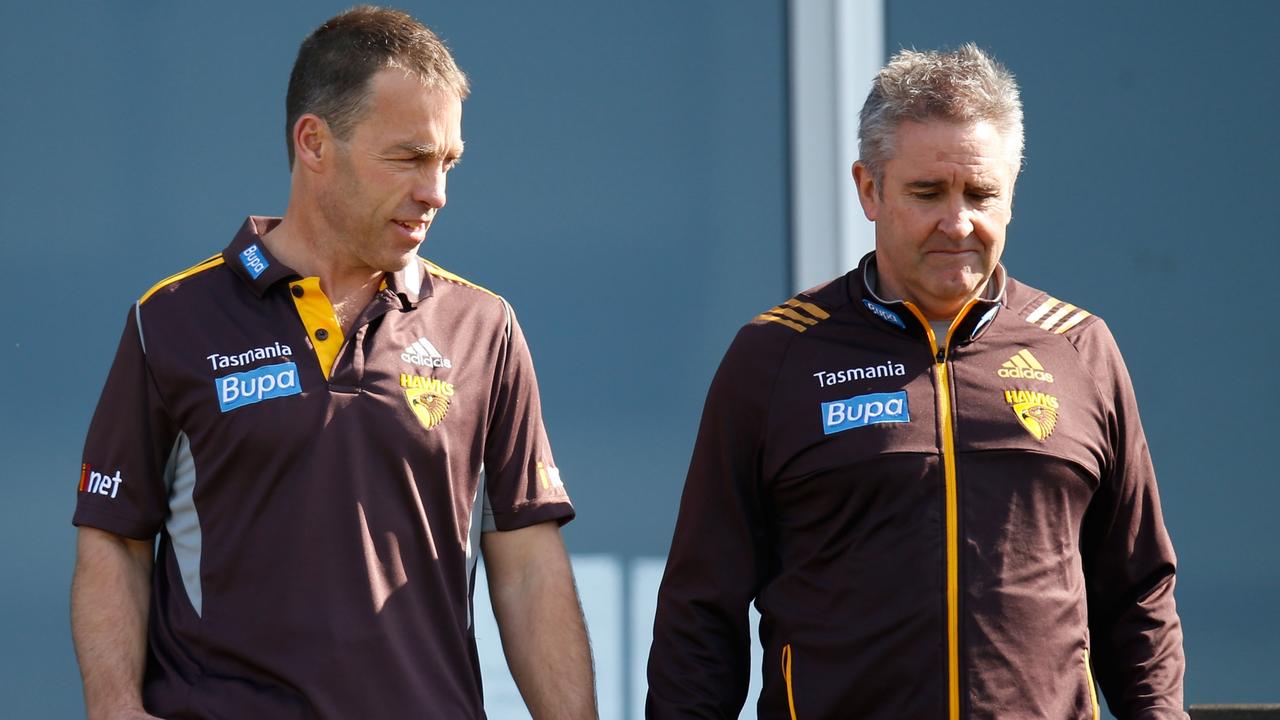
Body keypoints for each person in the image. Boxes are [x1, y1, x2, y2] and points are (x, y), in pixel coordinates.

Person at [70, 7, 596, 719]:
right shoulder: (170, 320)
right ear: (314, 142)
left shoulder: (484, 327)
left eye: (447, 163)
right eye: (408, 157)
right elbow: (114, 537)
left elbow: (529, 564)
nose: (435, 192)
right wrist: (113, 708)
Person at [647, 44, 1185, 719]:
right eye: (928, 193)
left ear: (1011, 193)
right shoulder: (776, 354)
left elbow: (1137, 594)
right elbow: (702, 610)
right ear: (869, 190)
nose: (957, 222)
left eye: (981, 193)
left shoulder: (1080, 348)